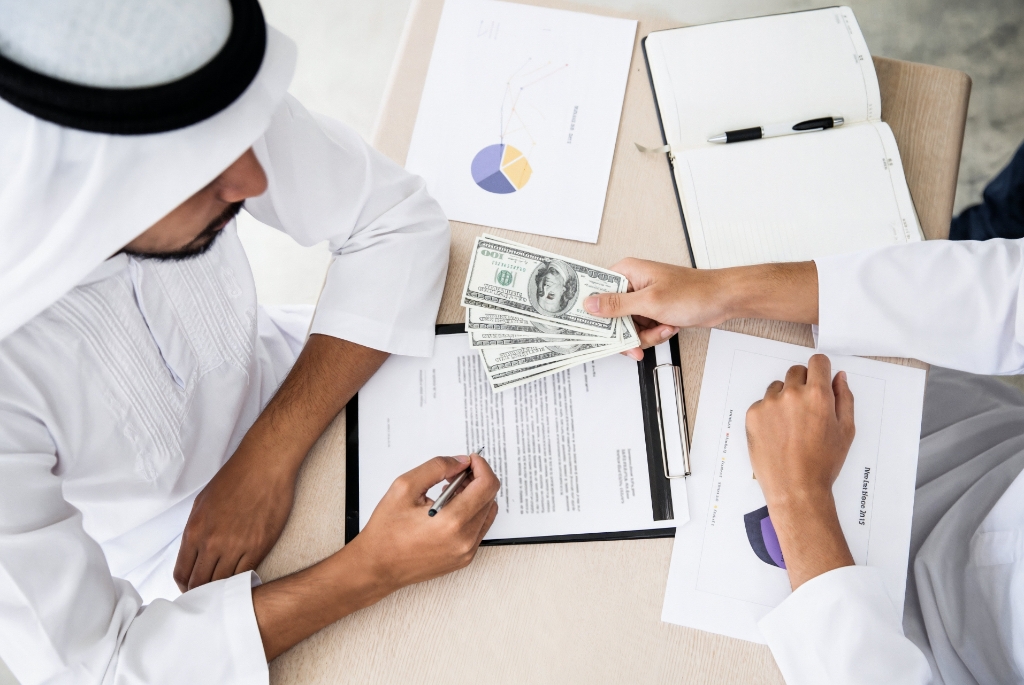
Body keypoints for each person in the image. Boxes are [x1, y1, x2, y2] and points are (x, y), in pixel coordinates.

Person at [0, 2, 499, 684]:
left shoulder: (186, 99)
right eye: (204, 173)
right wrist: (370, 569)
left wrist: (268, 450)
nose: (253, 181)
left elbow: (394, 216)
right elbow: (102, 669)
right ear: (85, 193)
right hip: (190, 579)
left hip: (311, 380)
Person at [583, 229, 1024, 683]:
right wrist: (725, 292)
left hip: (916, 648)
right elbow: (1007, 292)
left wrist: (799, 495)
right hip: (975, 440)